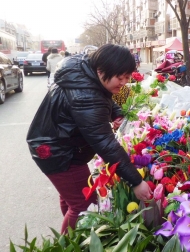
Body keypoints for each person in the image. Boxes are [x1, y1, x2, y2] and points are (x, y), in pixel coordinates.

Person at [26, 44, 152, 233]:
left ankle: (74, 235)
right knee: (84, 205)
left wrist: (114, 113)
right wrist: (136, 181)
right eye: (120, 77)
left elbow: (102, 98)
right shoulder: (85, 94)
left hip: (60, 143)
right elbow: (105, 143)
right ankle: (69, 244)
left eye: (127, 78)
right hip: (59, 151)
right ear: (102, 70)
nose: (124, 83)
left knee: (71, 200)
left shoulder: (86, 73)